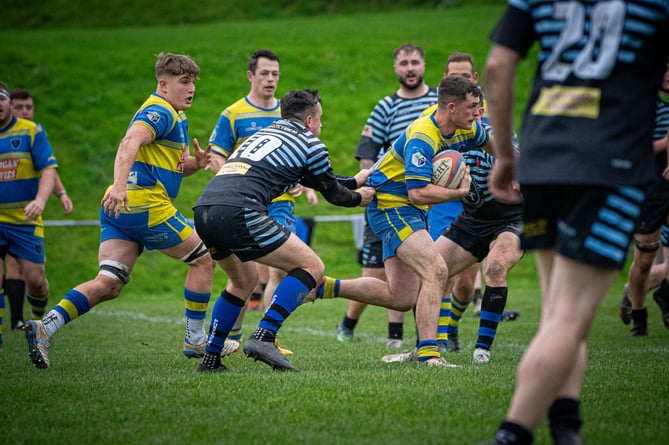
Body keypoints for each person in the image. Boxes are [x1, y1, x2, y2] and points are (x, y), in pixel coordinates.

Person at [483, 1, 669, 444]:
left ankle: (567, 426)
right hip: (610, 165)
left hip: (544, 161)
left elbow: (496, 65)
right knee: (569, 317)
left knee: (559, 312)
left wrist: (507, 154)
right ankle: (514, 433)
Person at [22, 52, 235, 369]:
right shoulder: (158, 110)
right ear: (163, 84)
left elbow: (174, 167)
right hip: (143, 204)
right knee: (203, 260)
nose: (191, 89)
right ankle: (195, 340)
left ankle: (46, 326)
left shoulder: (175, 116)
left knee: (109, 282)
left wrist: (196, 163)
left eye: (193, 82)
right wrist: (119, 185)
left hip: (120, 210)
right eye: (184, 82)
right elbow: (128, 143)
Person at [193, 88, 375, 373]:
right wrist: (358, 197)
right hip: (240, 211)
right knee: (312, 266)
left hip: (205, 210)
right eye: (319, 119)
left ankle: (211, 358)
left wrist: (353, 180)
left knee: (243, 281)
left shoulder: (267, 134)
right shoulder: (310, 143)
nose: (321, 125)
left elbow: (317, 179)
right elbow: (333, 194)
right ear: (308, 121)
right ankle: (265, 336)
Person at [316, 75, 479, 367]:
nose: (478, 113)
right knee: (436, 270)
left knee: (402, 296)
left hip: (409, 210)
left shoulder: (459, 126)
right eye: (472, 107)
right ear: (452, 107)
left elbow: (491, 140)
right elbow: (417, 193)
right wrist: (459, 192)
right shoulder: (423, 135)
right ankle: (429, 353)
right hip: (392, 206)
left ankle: (323, 286)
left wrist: (512, 165)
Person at [206, 49, 318, 356]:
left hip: (279, 204)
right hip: (241, 203)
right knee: (244, 277)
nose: (271, 79)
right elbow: (216, 157)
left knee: (281, 270)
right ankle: (234, 338)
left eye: (276, 74)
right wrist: (234, 178)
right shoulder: (233, 114)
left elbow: (298, 159)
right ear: (251, 75)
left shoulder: (286, 113)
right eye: (265, 73)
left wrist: (304, 184)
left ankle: (268, 336)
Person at [335, 43, 439, 349]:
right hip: (387, 198)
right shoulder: (385, 107)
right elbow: (367, 152)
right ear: (396, 68)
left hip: (423, 198)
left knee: (423, 269)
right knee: (376, 272)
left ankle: (413, 340)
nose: (410, 68)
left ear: (423, 65)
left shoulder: (437, 103)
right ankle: (348, 323)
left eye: (415, 62)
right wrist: (370, 185)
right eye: (404, 63)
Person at [1, 88, 74, 332]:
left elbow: (48, 169)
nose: (24, 111)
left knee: (35, 280)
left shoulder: (31, 132)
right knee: (10, 269)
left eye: (28, 107)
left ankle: (37, 321)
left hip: (25, 219)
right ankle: (12, 324)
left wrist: (56, 196)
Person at [617, 64, 669, 336]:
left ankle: (663, 295)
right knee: (645, 258)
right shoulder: (645, 104)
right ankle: (638, 310)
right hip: (650, 187)